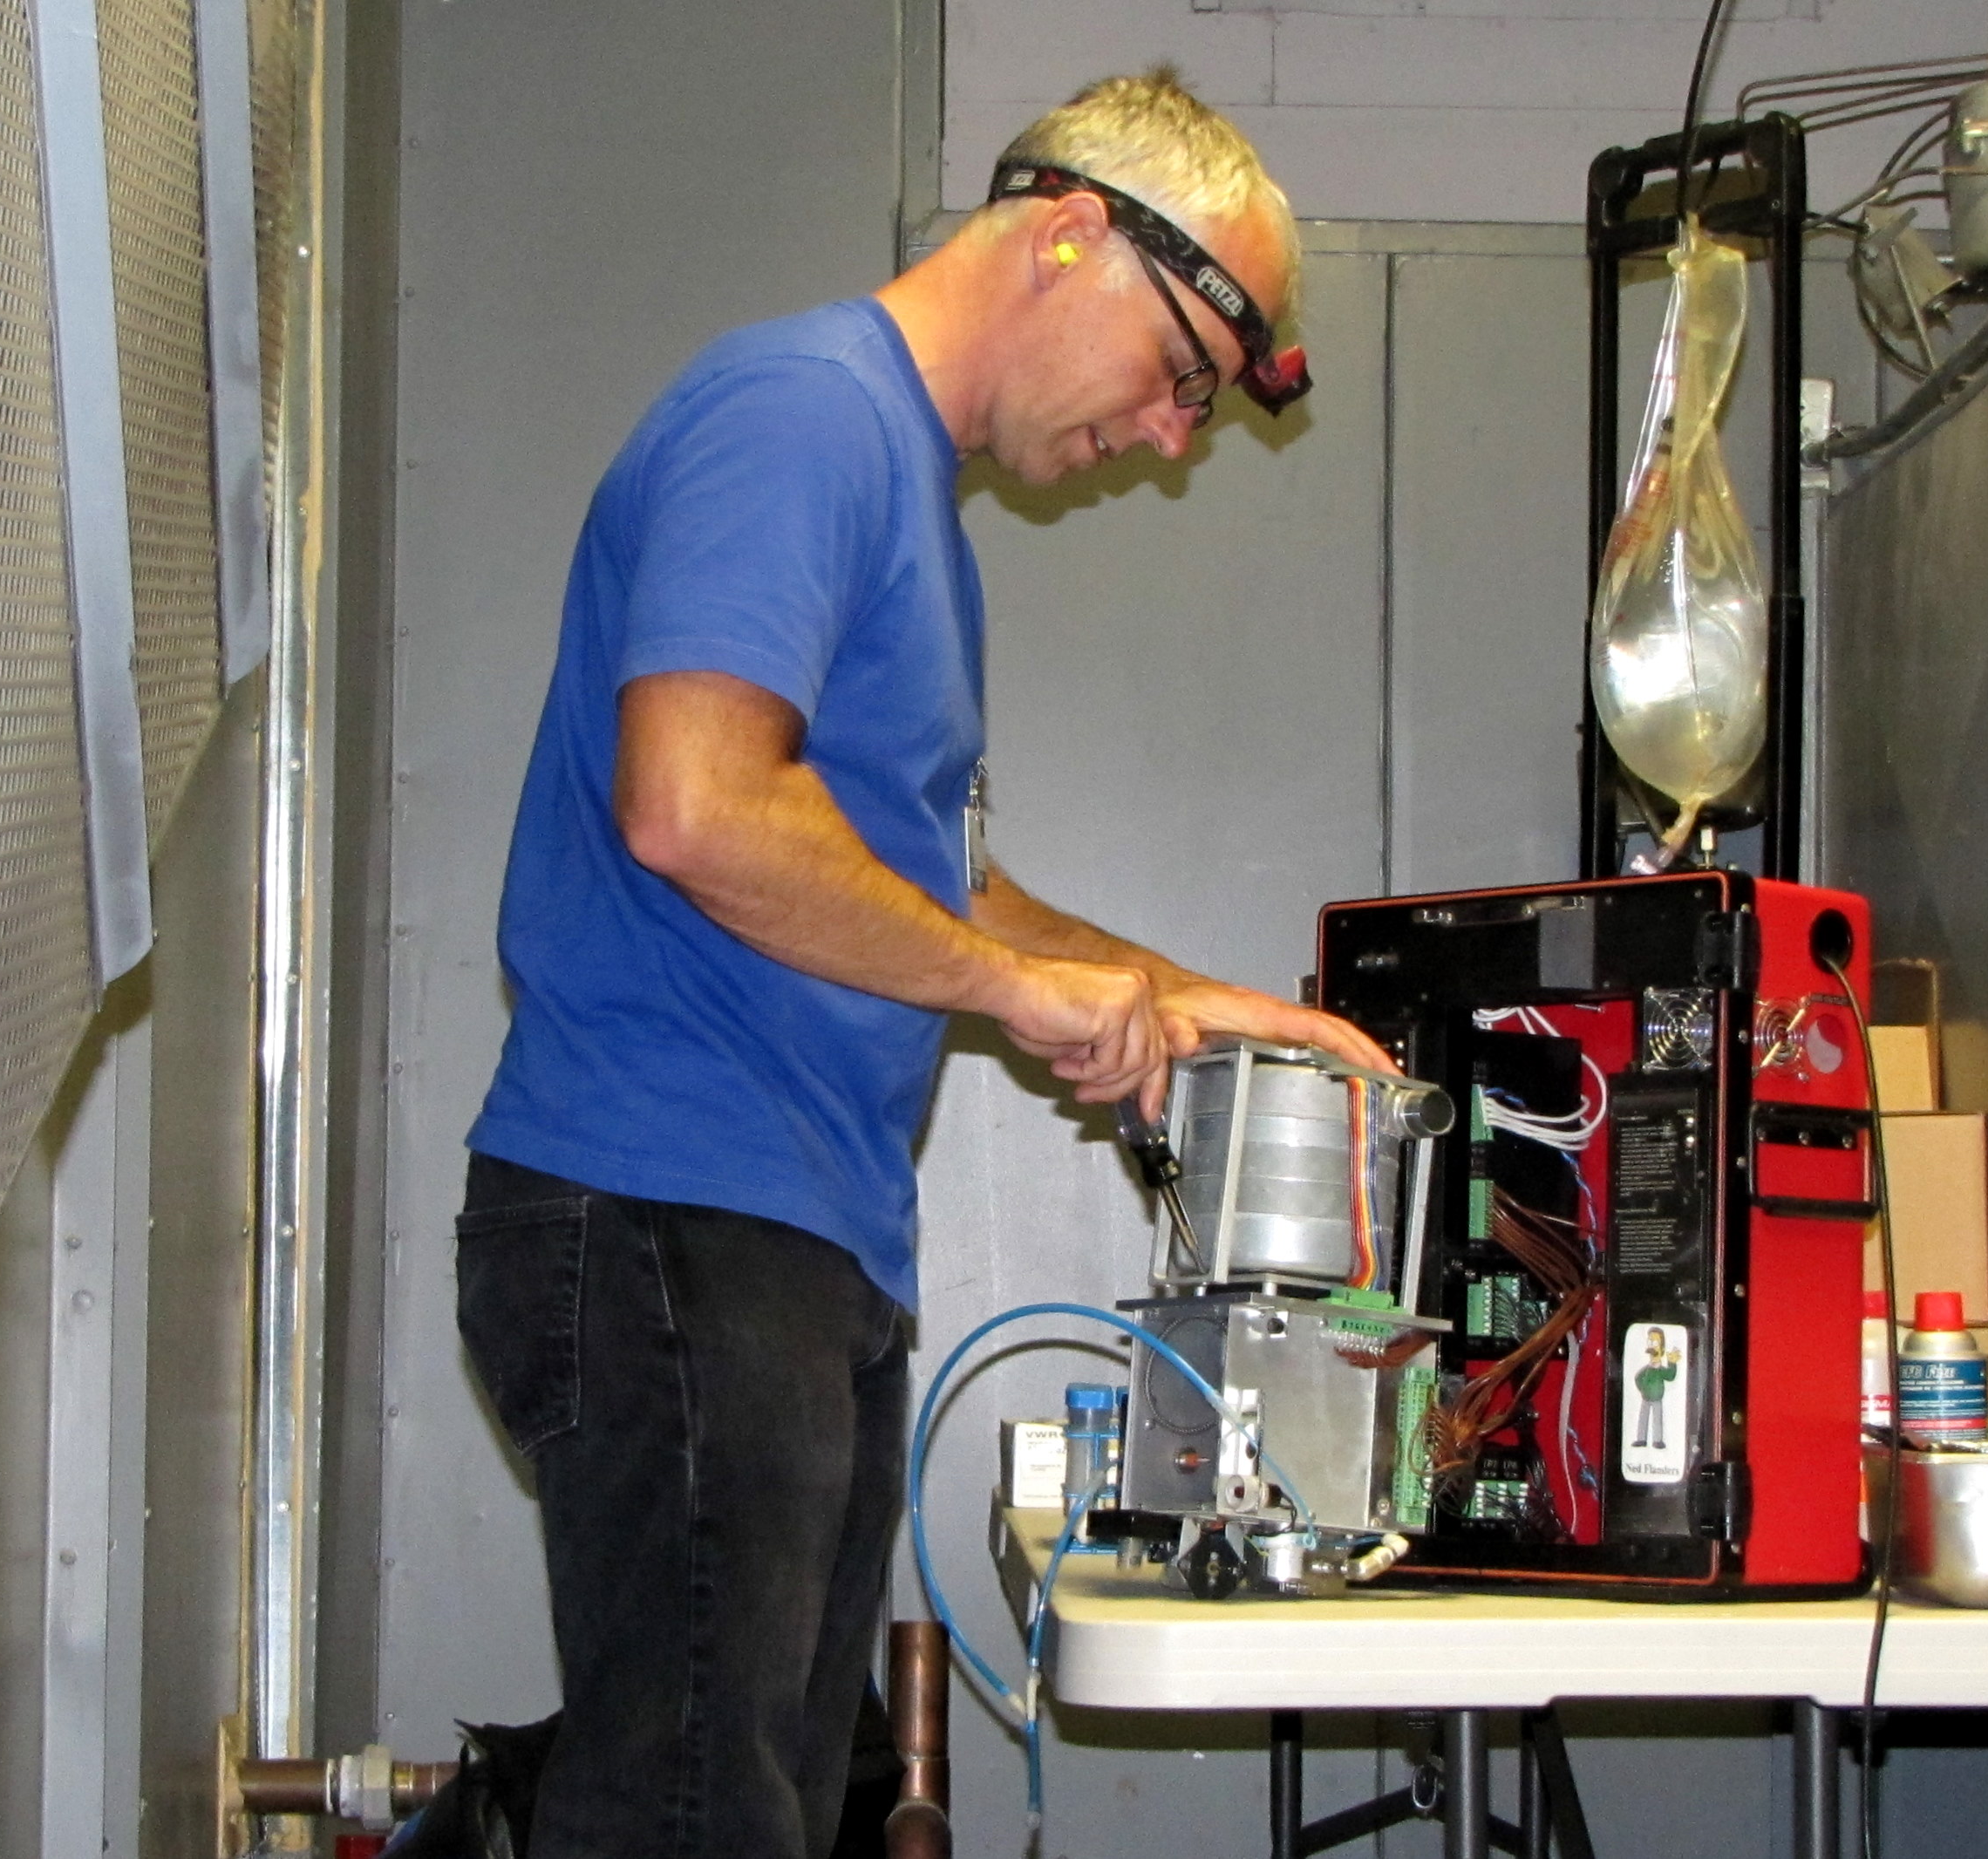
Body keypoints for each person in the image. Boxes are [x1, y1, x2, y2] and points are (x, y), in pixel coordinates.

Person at [451, 69, 1389, 1859]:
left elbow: (943, 886)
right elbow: (696, 805)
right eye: (1183, 374)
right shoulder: (801, 415)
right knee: (690, 1822)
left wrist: (1207, 1008)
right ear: (1068, 234)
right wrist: (1012, 995)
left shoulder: (909, 515)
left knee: (772, 1808)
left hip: (778, 1247)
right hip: (671, 1218)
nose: (1174, 437)